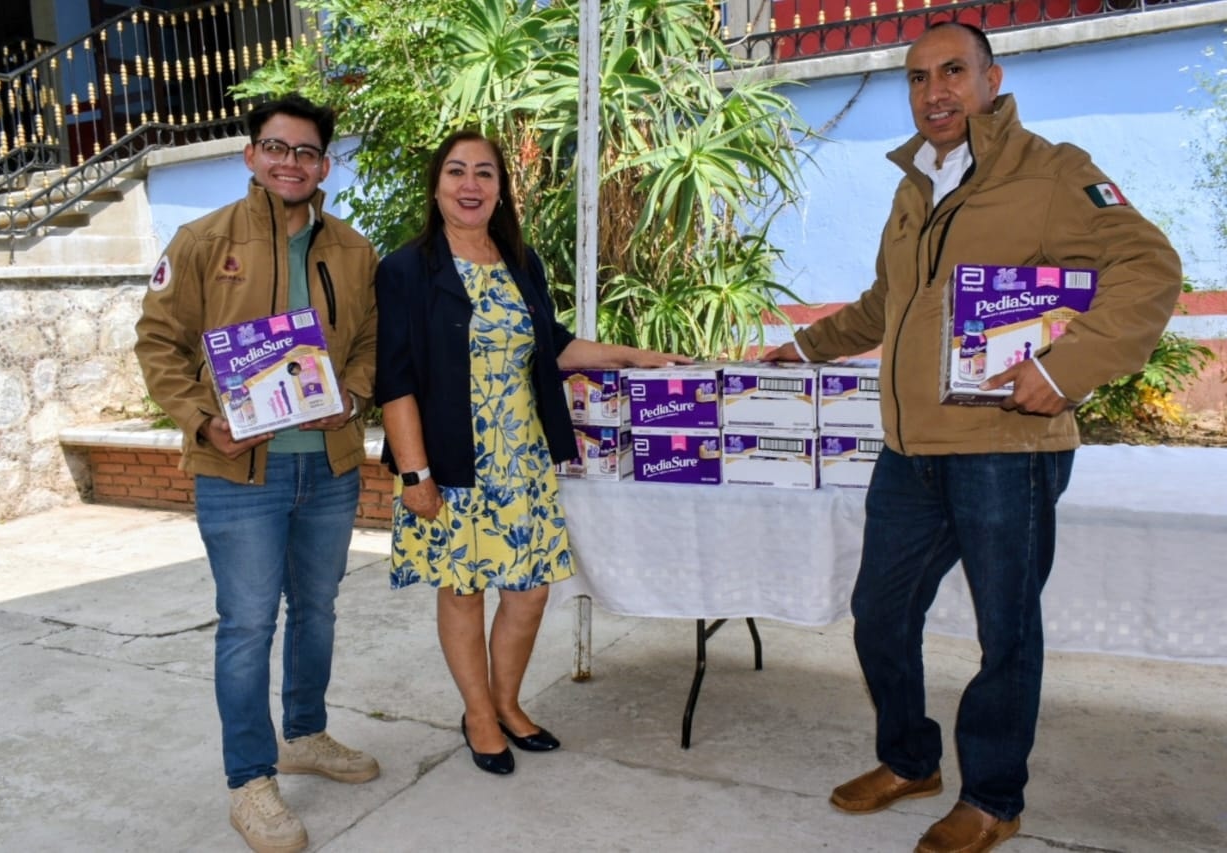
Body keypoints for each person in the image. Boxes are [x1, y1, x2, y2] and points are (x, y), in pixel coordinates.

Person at [763, 22, 1181, 853]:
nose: (935, 91)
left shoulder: (1052, 172)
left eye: (953, 71)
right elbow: (887, 301)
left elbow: (1151, 268)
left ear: (992, 80)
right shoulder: (914, 185)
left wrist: (1066, 369)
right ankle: (909, 759)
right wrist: (804, 349)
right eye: (918, 78)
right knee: (879, 614)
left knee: (1005, 632)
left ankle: (992, 797)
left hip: (1007, 450)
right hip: (911, 451)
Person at [374, 129, 691, 776]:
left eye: (484, 173)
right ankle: (479, 714)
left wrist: (636, 356)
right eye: (457, 171)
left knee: (529, 591)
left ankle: (507, 701)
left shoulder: (522, 261)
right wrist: (415, 473)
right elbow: (395, 380)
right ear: (436, 186)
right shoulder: (406, 270)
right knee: (464, 590)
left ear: (500, 189)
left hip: (523, 460)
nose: (470, 185)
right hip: (452, 461)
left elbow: (554, 345)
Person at [135, 93, 380, 853]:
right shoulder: (202, 240)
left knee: (318, 610)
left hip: (329, 469)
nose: (290, 162)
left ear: (324, 166)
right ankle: (250, 781)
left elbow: (371, 344)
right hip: (239, 472)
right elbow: (158, 343)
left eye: (306, 152)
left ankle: (304, 733)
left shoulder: (353, 250)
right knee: (247, 624)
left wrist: (353, 398)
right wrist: (201, 418)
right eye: (276, 147)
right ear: (251, 154)